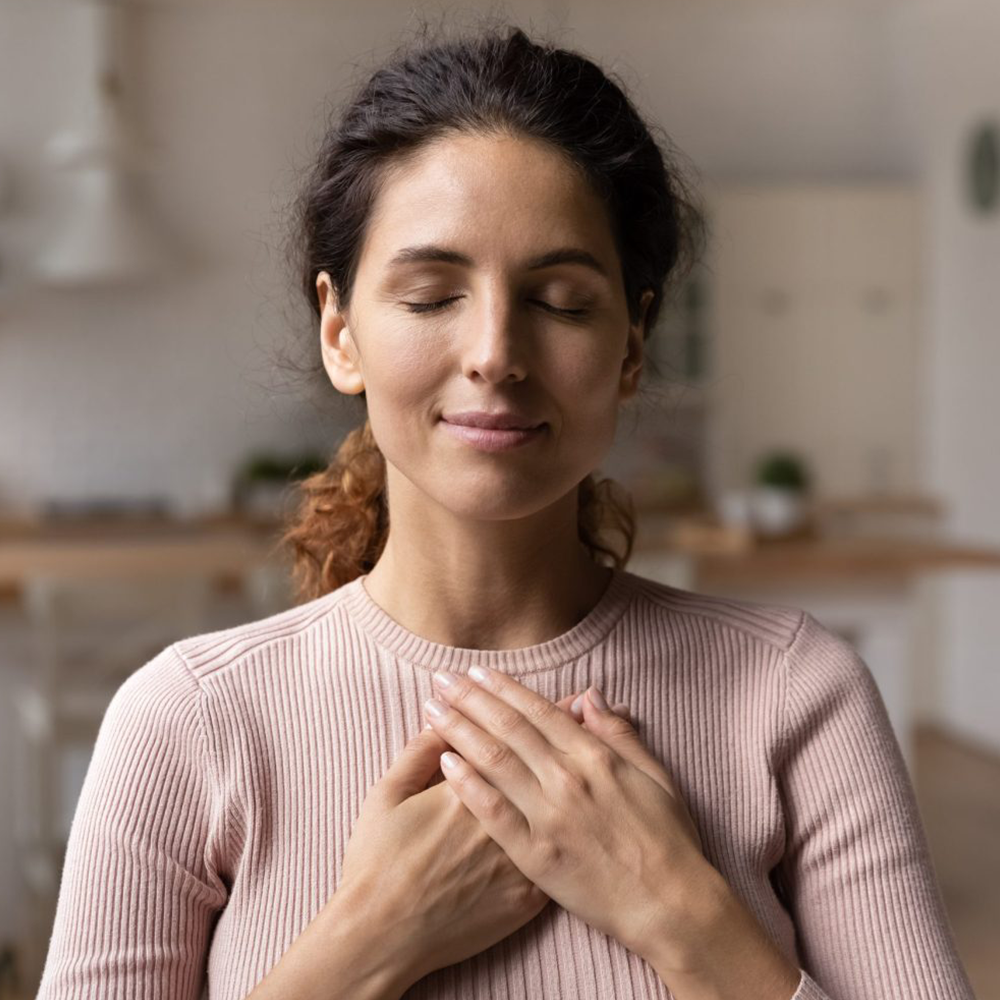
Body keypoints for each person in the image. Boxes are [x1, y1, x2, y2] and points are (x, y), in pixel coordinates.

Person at [36, 20, 976, 1000]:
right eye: (432, 293)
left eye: (563, 300)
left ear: (631, 344)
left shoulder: (795, 696)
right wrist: (368, 942)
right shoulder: (184, 724)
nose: (494, 351)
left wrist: (682, 915)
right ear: (339, 331)